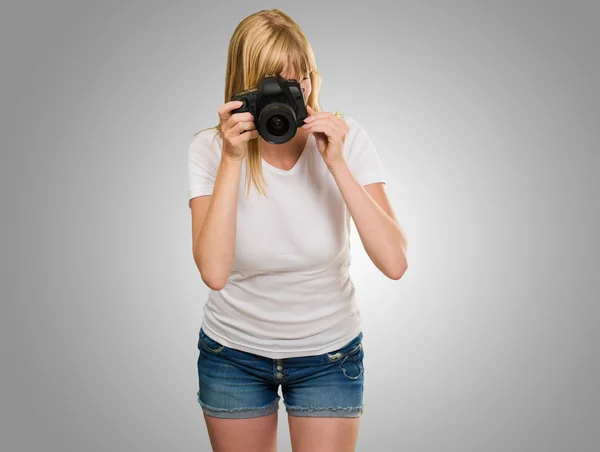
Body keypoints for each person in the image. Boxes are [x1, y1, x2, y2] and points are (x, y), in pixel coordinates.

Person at [188, 8, 408, 452]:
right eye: (274, 84)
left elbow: (395, 263)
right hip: (234, 354)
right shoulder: (210, 149)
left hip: (328, 354)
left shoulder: (346, 138)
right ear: (244, 87)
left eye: (299, 80)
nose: (291, 96)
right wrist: (232, 160)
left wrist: (337, 163)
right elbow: (213, 272)